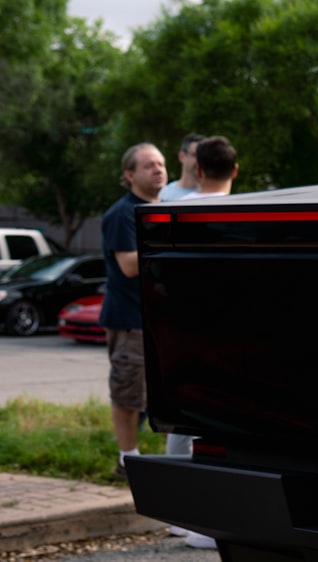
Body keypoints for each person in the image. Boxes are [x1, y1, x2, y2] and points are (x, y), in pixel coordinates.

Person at [170, 135, 238, 551]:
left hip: (183, 333)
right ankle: (215, 522)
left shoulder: (174, 212)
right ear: (235, 169)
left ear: (197, 169)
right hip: (230, 338)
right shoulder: (245, 213)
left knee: (185, 425)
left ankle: (186, 517)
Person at [99, 142, 167, 480]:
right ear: (130, 175)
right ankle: (126, 460)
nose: (158, 169)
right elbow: (127, 265)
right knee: (128, 393)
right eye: (148, 165)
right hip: (129, 320)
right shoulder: (123, 213)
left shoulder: (164, 208)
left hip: (157, 321)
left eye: (160, 163)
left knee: (153, 393)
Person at [159, 133, 205, 202]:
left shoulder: (213, 195)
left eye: (204, 156)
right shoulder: (164, 194)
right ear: (181, 156)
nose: (200, 160)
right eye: (195, 155)